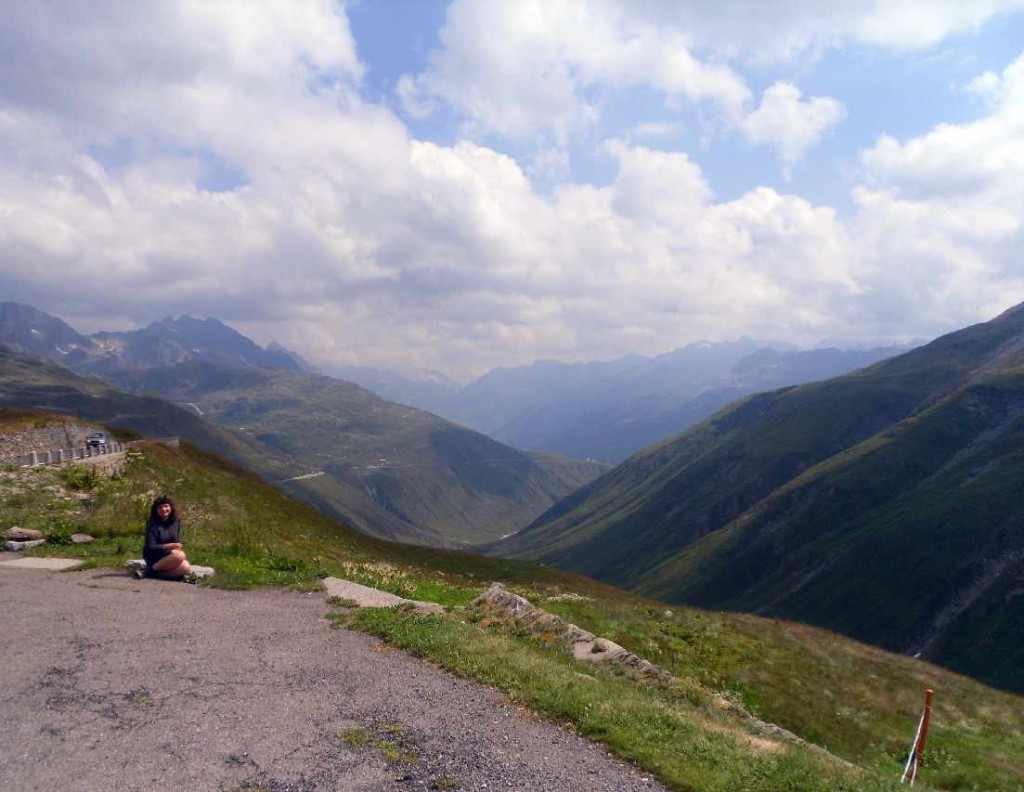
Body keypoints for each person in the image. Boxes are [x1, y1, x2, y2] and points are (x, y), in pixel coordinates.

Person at [142, 495, 192, 579]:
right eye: (160, 507)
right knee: (180, 556)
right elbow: (150, 547)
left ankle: (153, 574)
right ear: (156, 510)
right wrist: (171, 546)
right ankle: (150, 570)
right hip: (154, 555)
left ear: (171, 507)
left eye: (166, 506)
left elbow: (176, 541)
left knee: (185, 567)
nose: (164, 509)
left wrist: (176, 547)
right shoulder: (152, 524)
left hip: (169, 554)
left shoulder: (176, 522)